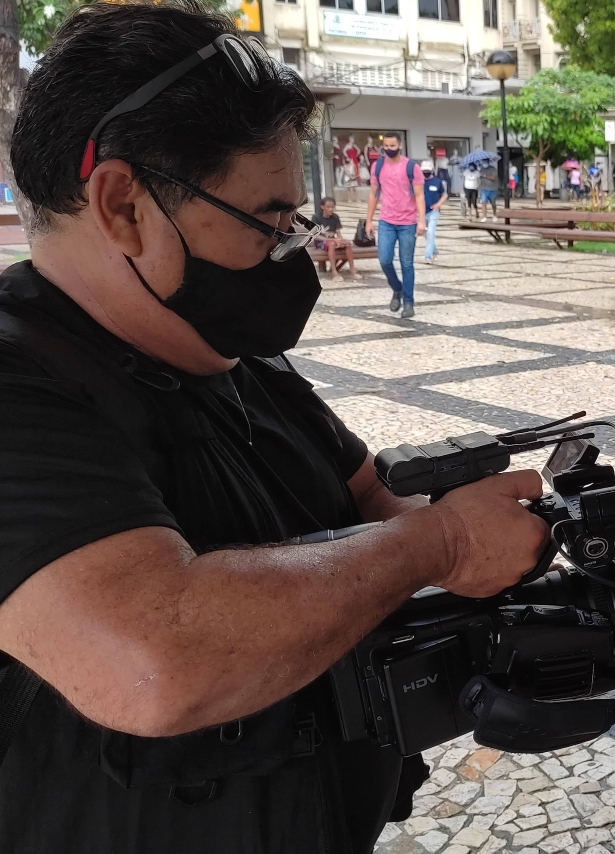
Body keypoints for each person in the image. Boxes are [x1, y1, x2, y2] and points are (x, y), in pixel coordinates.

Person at [0, 4, 548, 853]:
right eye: (268, 221)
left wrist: (509, 566)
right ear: (123, 205)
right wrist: (437, 547)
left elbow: (372, 498)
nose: (291, 250)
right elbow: (154, 658)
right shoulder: (16, 385)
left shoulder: (236, 359)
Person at [365, 131, 425, 317]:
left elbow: (419, 195)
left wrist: (421, 220)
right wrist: (369, 220)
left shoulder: (411, 167)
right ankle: (396, 289)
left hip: (408, 222)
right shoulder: (378, 166)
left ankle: (408, 303)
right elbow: (374, 194)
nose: (389, 149)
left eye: (393, 146)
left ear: (400, 145)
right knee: (384, 260)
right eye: (386, 146)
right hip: (386, 222)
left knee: (407, 264)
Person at [311, 196, 361, 282]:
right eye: (328, 207)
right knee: (332, 244)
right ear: (322, 207)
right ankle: (334, 272)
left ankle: (352, 270)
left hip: (333, 241)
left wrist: (340, 240)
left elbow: (338, 233)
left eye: (332, 207)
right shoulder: (316, 217)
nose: (331, 209)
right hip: (320, 242)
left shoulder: (335, 217)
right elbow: (315, 235)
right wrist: (333, 240)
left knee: (347, 244)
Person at [421, 159, 447, 264]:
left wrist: (439, 204)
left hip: (433, 212)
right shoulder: (418, 182)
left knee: (431, 233)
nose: (425, 173)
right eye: (424, 171)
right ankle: (435, 251)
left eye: (427, 170)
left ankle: (428, 256)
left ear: (431, 170)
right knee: (425, 234)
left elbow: (445, 194)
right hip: (422, 212)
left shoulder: (437, 182)